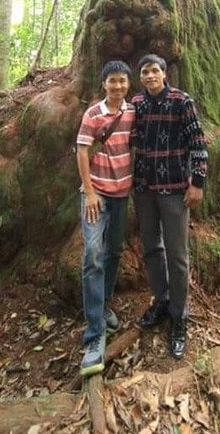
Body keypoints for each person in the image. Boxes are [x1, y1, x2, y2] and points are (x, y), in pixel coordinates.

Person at [132, 54, 208, 359]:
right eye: (145, 72)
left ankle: (179, 317)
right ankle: (161, 301)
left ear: (164, 74)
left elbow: (198, 142)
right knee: (151, 248)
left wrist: (198, 182)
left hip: (175, 189)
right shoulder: (137, 104)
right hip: (144, 188)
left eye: (154, 71)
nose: (150, 76)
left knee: (177, 255)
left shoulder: (181, 101)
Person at [75, 60, 134, 377]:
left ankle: (104, 304)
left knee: (114, 251)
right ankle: (94, 336)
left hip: (122, 193)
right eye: (113, 80)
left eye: (123, 81)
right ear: (104, 84)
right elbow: (81, 151)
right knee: (92, 255)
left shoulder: (132, 112)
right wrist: (89, 190)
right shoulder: (93, 114)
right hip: (95, 194)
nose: (118, 86)